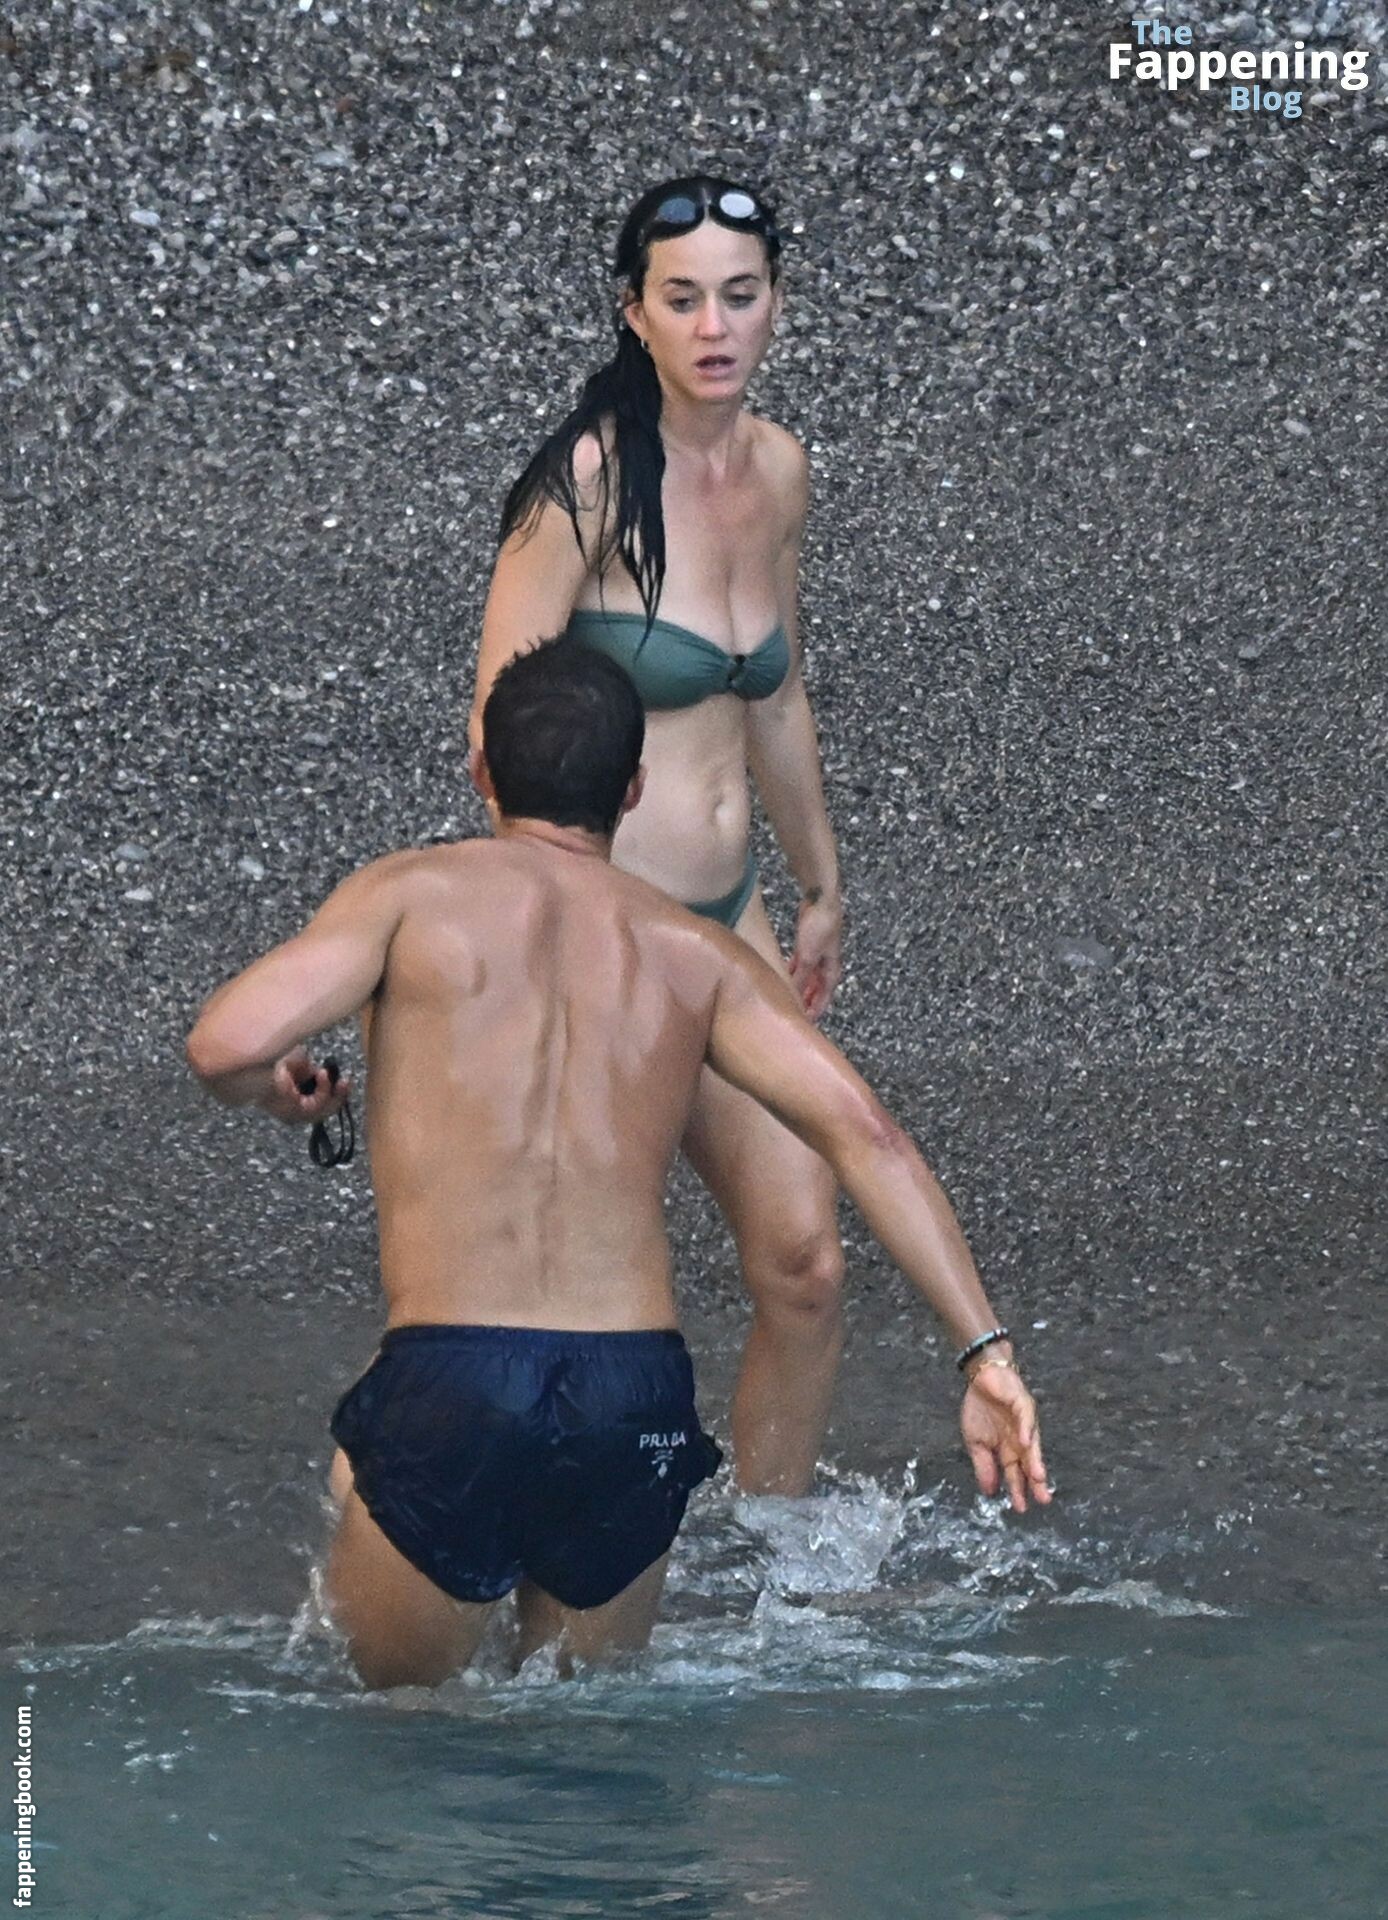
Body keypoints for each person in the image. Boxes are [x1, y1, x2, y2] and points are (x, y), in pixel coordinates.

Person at [188, 640, 1049, 1690]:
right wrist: (984, 1354)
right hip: (629, 1399)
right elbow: (869, 1138)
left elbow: (225, 1045)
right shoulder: (695, 952)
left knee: (404, 1735)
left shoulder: (408, 896)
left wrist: (280, 1092)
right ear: (632, 791)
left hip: (458, 1379)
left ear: (482, 772)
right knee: (586, 1732)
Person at [471, 176, 849, 1497]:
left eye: (739, 296)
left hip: (731, 919)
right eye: (681, 299)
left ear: (776, 304)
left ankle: (773, 1565)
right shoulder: (587, 483)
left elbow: (777, 694)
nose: (713, 326)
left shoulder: (778, 470)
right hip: (602, 927)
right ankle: (460, 1521)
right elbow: (498, 731)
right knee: (556, 1282)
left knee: (804, 1263)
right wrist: (564, 932)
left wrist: (819, 882)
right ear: (634, 314)